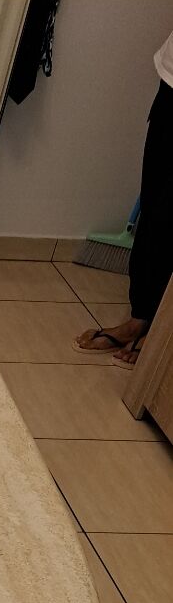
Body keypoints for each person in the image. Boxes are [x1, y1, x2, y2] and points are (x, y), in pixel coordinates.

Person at [74, 30, 173, 365]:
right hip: (171, 78)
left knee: (168, 215)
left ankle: (159, 331)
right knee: (153, 203)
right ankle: (140, 317)